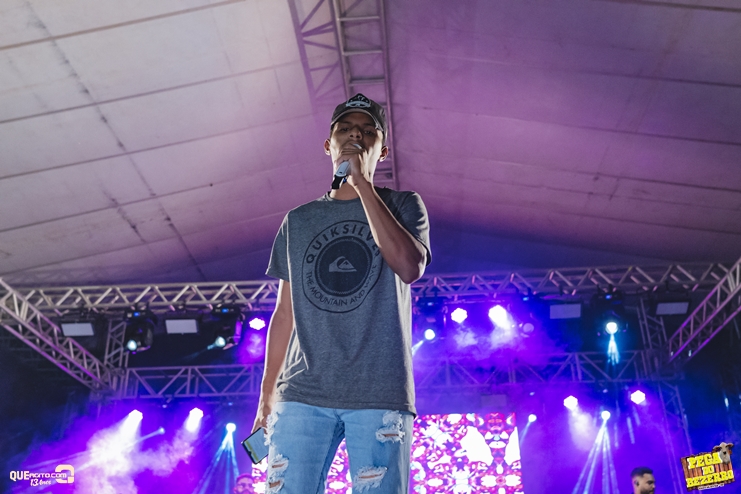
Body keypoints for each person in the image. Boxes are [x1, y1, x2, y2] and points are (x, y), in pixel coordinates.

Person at [252, 93, 431, 494]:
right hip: (300, 392)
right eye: (345, 129)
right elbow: (285, 314)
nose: (355, 135)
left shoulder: (404, 205)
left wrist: (362, 185)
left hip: (378, 389)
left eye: (368, 131)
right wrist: (266, 396)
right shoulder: (298, 220)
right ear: (327, 145)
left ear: (382, 151)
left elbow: (409, 266)